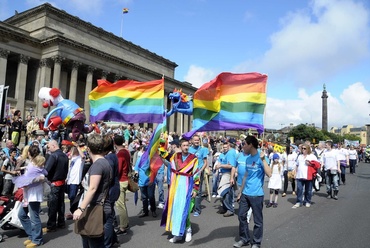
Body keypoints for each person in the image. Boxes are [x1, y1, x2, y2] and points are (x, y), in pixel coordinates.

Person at [73, 133, 113, 248]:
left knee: (95, 243)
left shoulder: (98, 165)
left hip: (95, 208)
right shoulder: (105, 162)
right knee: (90, 241)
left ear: (88, 148)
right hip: (100, 206)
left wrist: (80, 209)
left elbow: (93, 188)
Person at [233, 136, 271, 248]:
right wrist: (240, 191)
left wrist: (263, 160)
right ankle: (244, 239)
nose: (242, 146)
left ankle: (256, 242)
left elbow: (269, 173)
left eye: (244, 144)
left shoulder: (261, 156)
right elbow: (246, 176)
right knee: (241, 216)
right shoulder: (248, 158)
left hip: (257, 194)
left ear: (250, 145)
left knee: (258, 221)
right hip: (245, 193)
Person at [160, 138, 199, 243]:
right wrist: (162, 142)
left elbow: (196, 174)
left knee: (184, 209)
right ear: (180, 146)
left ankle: (188, 230)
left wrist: (195, 189)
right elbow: (163, 154)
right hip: (175, 186)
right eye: (184, 145)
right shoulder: (175, 156)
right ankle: (177, 234)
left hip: (187, 186)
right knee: (176, 209)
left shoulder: (193, 158)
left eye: (187, 145)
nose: (186, 147)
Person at [14, 146, 47, 248]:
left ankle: (37, 239)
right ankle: (33, 235)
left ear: (29, 153)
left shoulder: (35, 165)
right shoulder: (34, 164)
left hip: (33, 194)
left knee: (34, 217)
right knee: (22, 215)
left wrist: (30, 180)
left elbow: (42, 175)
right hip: (28, 194)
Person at [43, 139, 69, 233]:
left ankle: (51, 225)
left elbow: (46, 170)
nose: (48, 149)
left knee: (52, 205)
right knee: (61, 204)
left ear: (54, 146)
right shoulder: (64, 156)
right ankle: (61, 222)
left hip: (54, 183)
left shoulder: (54, 156)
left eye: (49, 147)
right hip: (62, 182)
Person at [113, 134, 131, 235]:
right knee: (122, 204)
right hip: (125, 178)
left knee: (120, 205)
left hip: (121, 180)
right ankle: (126, 222)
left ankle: (123, 226)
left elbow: (118, 169)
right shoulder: (126, 152)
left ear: (115, 143)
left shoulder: (120, 154)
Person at [292, 144, 318, 208]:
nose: (303, 150)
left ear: (308, 149)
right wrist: (295, 172)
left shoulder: (312, 156)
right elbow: (297, 165)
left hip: (308, 175)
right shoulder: (300, 156)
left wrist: (310, 164)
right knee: (299, 189)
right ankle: (299, 201)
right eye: (302, 148)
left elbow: (317, 165)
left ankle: (307, 201)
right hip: (300, 175)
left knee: (308, 190)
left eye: (304, 148)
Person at [188, 134, 208, 216]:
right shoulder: (189, 149)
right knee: (189, 190)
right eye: (195, 140)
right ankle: (190, 207)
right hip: (189, 172)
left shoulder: (203, 150)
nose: (196, 141)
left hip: (198, 172)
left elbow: (205, 162)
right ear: (192, 141)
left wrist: (200, 171)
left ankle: (197, 209)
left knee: (198, 191)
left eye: (198, 140)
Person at [216, 142, 236, 217]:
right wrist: (218, 166)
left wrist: (221, 165)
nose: (224, 148)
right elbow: (219, 163)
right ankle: (225, 207)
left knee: (226, 192)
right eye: (223, 147)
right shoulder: (222, 154)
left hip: (228, 174)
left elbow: (231, 166)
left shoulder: (230, 154)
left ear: (229, 146)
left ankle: (230, 209)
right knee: (222, 193)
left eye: (226, 147)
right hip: (222, 174)